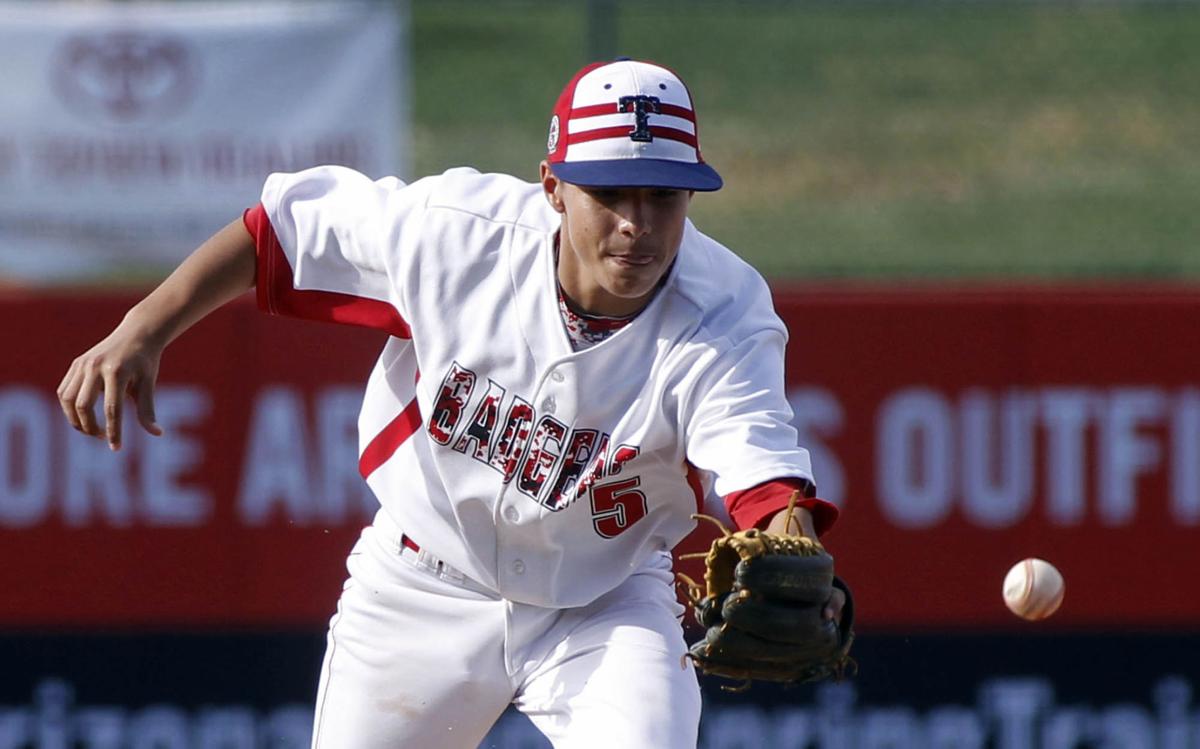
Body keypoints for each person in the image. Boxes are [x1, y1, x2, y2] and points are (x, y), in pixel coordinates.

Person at [57, 58, 845, 748]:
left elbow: (764, 478)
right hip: (421, 579)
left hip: (605, 601)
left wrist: (794, 547)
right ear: (553, 186)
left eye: (665, 196)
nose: (636, 224)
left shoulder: (722, 312)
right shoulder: (457, 235)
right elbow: (279, 235)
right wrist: (142, 327)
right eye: (609, 193)